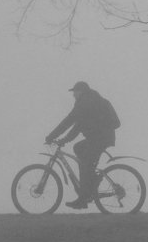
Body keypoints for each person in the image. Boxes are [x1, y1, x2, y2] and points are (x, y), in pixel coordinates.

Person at [45, 81, 119, 209]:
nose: (73, 95)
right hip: (100, 138)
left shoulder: (85, 103)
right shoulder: (90, 101)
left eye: (75, 92)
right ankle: (91, 181)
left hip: (100, 138)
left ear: (81, 91)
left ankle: (83, 198)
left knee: (84, 162)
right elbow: (78, 126)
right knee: (78, 148)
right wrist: (65, 139)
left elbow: (69, 120)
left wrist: (52, 136)